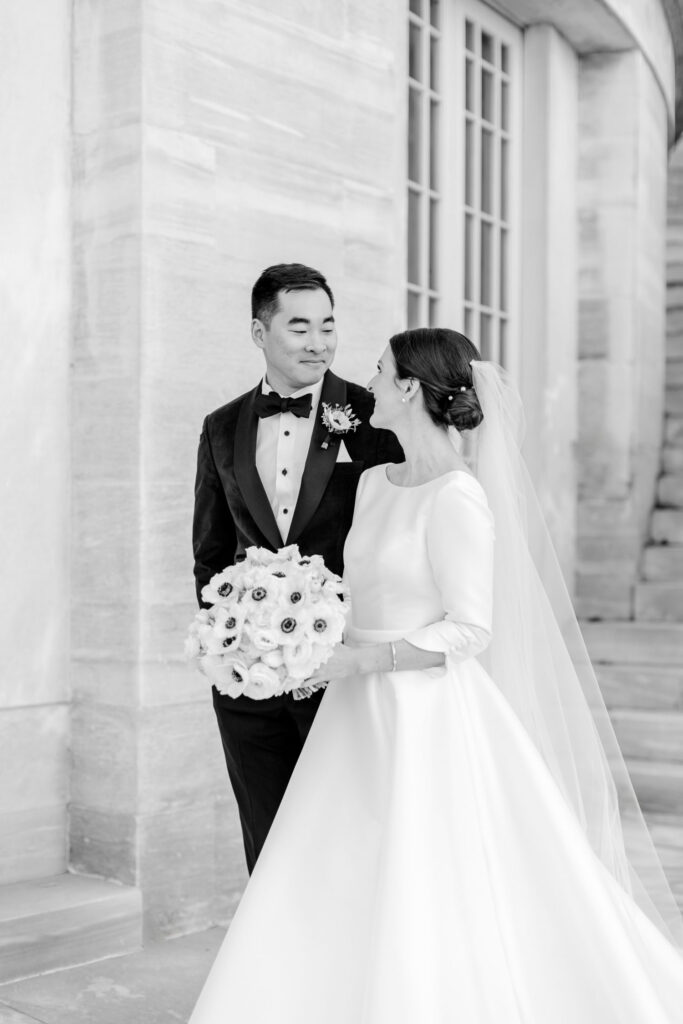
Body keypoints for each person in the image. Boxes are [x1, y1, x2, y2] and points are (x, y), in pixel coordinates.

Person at [190, 328, 683, 1023]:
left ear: (408, 390)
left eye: (380, 370)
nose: (368, 379)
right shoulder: (369, 484)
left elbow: (470, 628)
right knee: (335, 861)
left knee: (420, 871)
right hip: (352, 708)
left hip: (424, 711)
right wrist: (299, 642)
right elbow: (356, 596)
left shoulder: (458, 495)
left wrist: (366, 659)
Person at [192, 263, 402, 873]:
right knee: (267, 838)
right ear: (260, 333)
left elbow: (396, 543)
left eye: (328, 327)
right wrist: (230, 647)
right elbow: (210, 551)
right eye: (300, 327)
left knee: (350, 838)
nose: (319, 343)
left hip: (344, 673)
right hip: (248, 686)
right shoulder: (221, 426)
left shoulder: (375, 417)